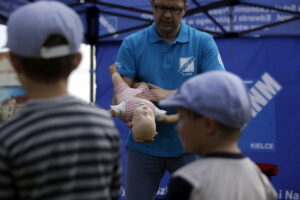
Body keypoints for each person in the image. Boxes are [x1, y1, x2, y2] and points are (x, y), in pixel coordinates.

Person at [0, 1, 121, 200]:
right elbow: (113, 193)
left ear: (13, 61)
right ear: (77, 60)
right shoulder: (104, 125)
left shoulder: (8, 138)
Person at [114, 0, 225, 199]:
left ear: (185, 9)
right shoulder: (132, 43)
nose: (167, 15)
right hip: (143, 146)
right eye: (161, 7)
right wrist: (131, 118)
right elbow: (120, 96)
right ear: (152, 6)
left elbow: (218, 89)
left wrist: (170, 94)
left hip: (191, 145)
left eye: (174, 9)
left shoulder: (203, 41)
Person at [160, 71, 278, 200]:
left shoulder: (187, 180)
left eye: (182, 118)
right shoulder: (261, 179)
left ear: (207, 124)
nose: (178, 127)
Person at [108, 64, 179, 142]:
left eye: (143, 115)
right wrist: (181, 115)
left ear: (133, 121)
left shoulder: (125, 109)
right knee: (144, 84)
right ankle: (135, 84)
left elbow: (110, 113)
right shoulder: (154, 111)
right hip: (142, 92)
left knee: (117, 80)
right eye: (151, 116)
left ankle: (113, 72)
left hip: (124, 91)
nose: (147, 111)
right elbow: (168, 119)